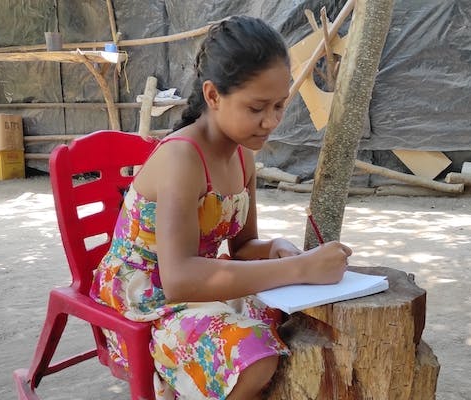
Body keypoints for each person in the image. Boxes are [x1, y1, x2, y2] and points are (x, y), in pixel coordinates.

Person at [90, 15, 351, 400]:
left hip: (197, 288)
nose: (272, 121)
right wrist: (299, 268)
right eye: (257, 107)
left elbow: (243, 248)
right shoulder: (183, 158)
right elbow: (177, 279)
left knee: (290, 322)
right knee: (255, 355)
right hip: (146, 303)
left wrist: (277, 247)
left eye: (280, 105)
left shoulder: (242, 155)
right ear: (213, 96)